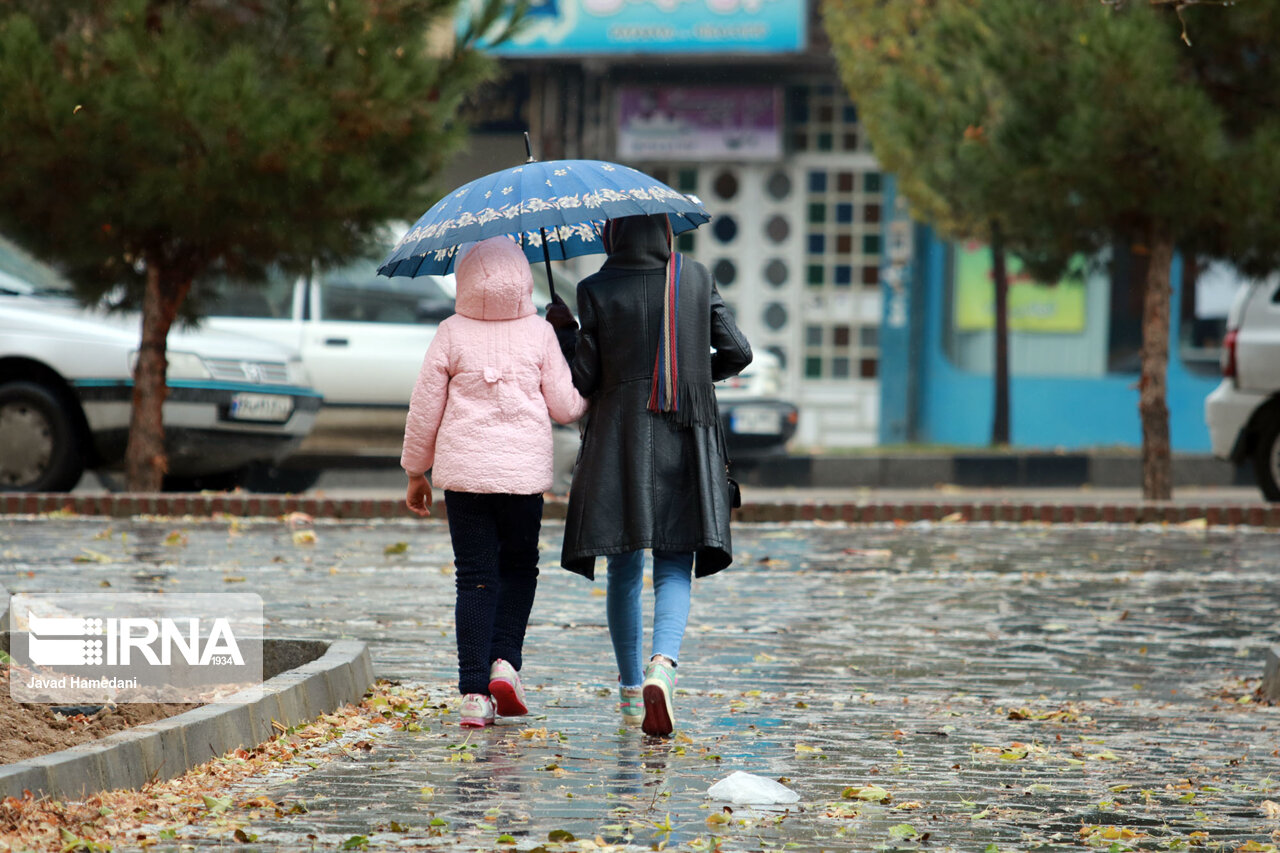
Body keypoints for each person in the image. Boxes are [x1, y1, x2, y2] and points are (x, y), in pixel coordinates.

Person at [548, 213, 752, 736]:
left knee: (623, 564)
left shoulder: (594, 289)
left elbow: (585, 377)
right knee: (674, 561)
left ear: (612, 235)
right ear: (665, 231)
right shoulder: (695, 277)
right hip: (684, 434)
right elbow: (739, 351)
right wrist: (688, 372)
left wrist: (566, 332)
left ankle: (630, 685)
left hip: (618, 440)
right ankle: (664, 665)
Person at [402, 235, 588, 728]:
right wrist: (566, 345)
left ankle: (472, 693)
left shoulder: (450, 331)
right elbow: (566, 408)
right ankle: (504, 660)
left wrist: (416, 471)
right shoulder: (539, 332)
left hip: (463, 477)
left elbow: (425, 410)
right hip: (523, 479)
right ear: (523, 278)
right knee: (520, 568)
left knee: (474, 576)